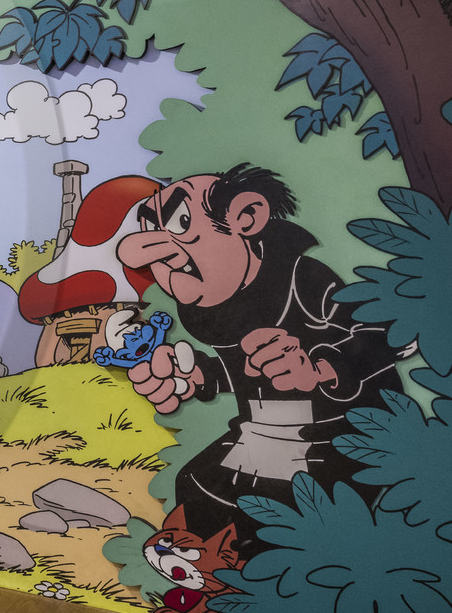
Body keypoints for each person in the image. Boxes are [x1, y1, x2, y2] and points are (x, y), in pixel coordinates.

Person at [116, 164, 403, 555]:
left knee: (277, 514)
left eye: (181, 221)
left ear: (246, 217)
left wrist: (321, 367)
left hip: (337, 437)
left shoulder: (303, 279)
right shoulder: (211, 306)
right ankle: (209, 583)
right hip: (261, 432)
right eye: (152, 227)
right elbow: (239, 373)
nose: (153, 251)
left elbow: (385, 336)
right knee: (196, 486)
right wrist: (195, 376)